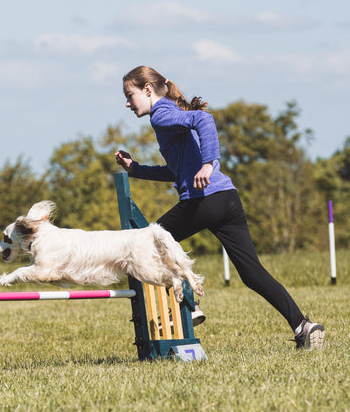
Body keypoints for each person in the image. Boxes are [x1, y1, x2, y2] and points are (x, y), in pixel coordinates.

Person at [115, 65, 324, 350]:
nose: (128, 102)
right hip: (227, 199)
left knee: (150, 242)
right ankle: (303, 327)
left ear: (147, 90)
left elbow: (204, 120)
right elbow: (176, 172)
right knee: (252, 273)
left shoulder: (161, 114)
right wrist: (135, 168)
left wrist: (208, 163)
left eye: (130, 94)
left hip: (203, 200)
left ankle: (189, 303)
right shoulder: (168, 114)